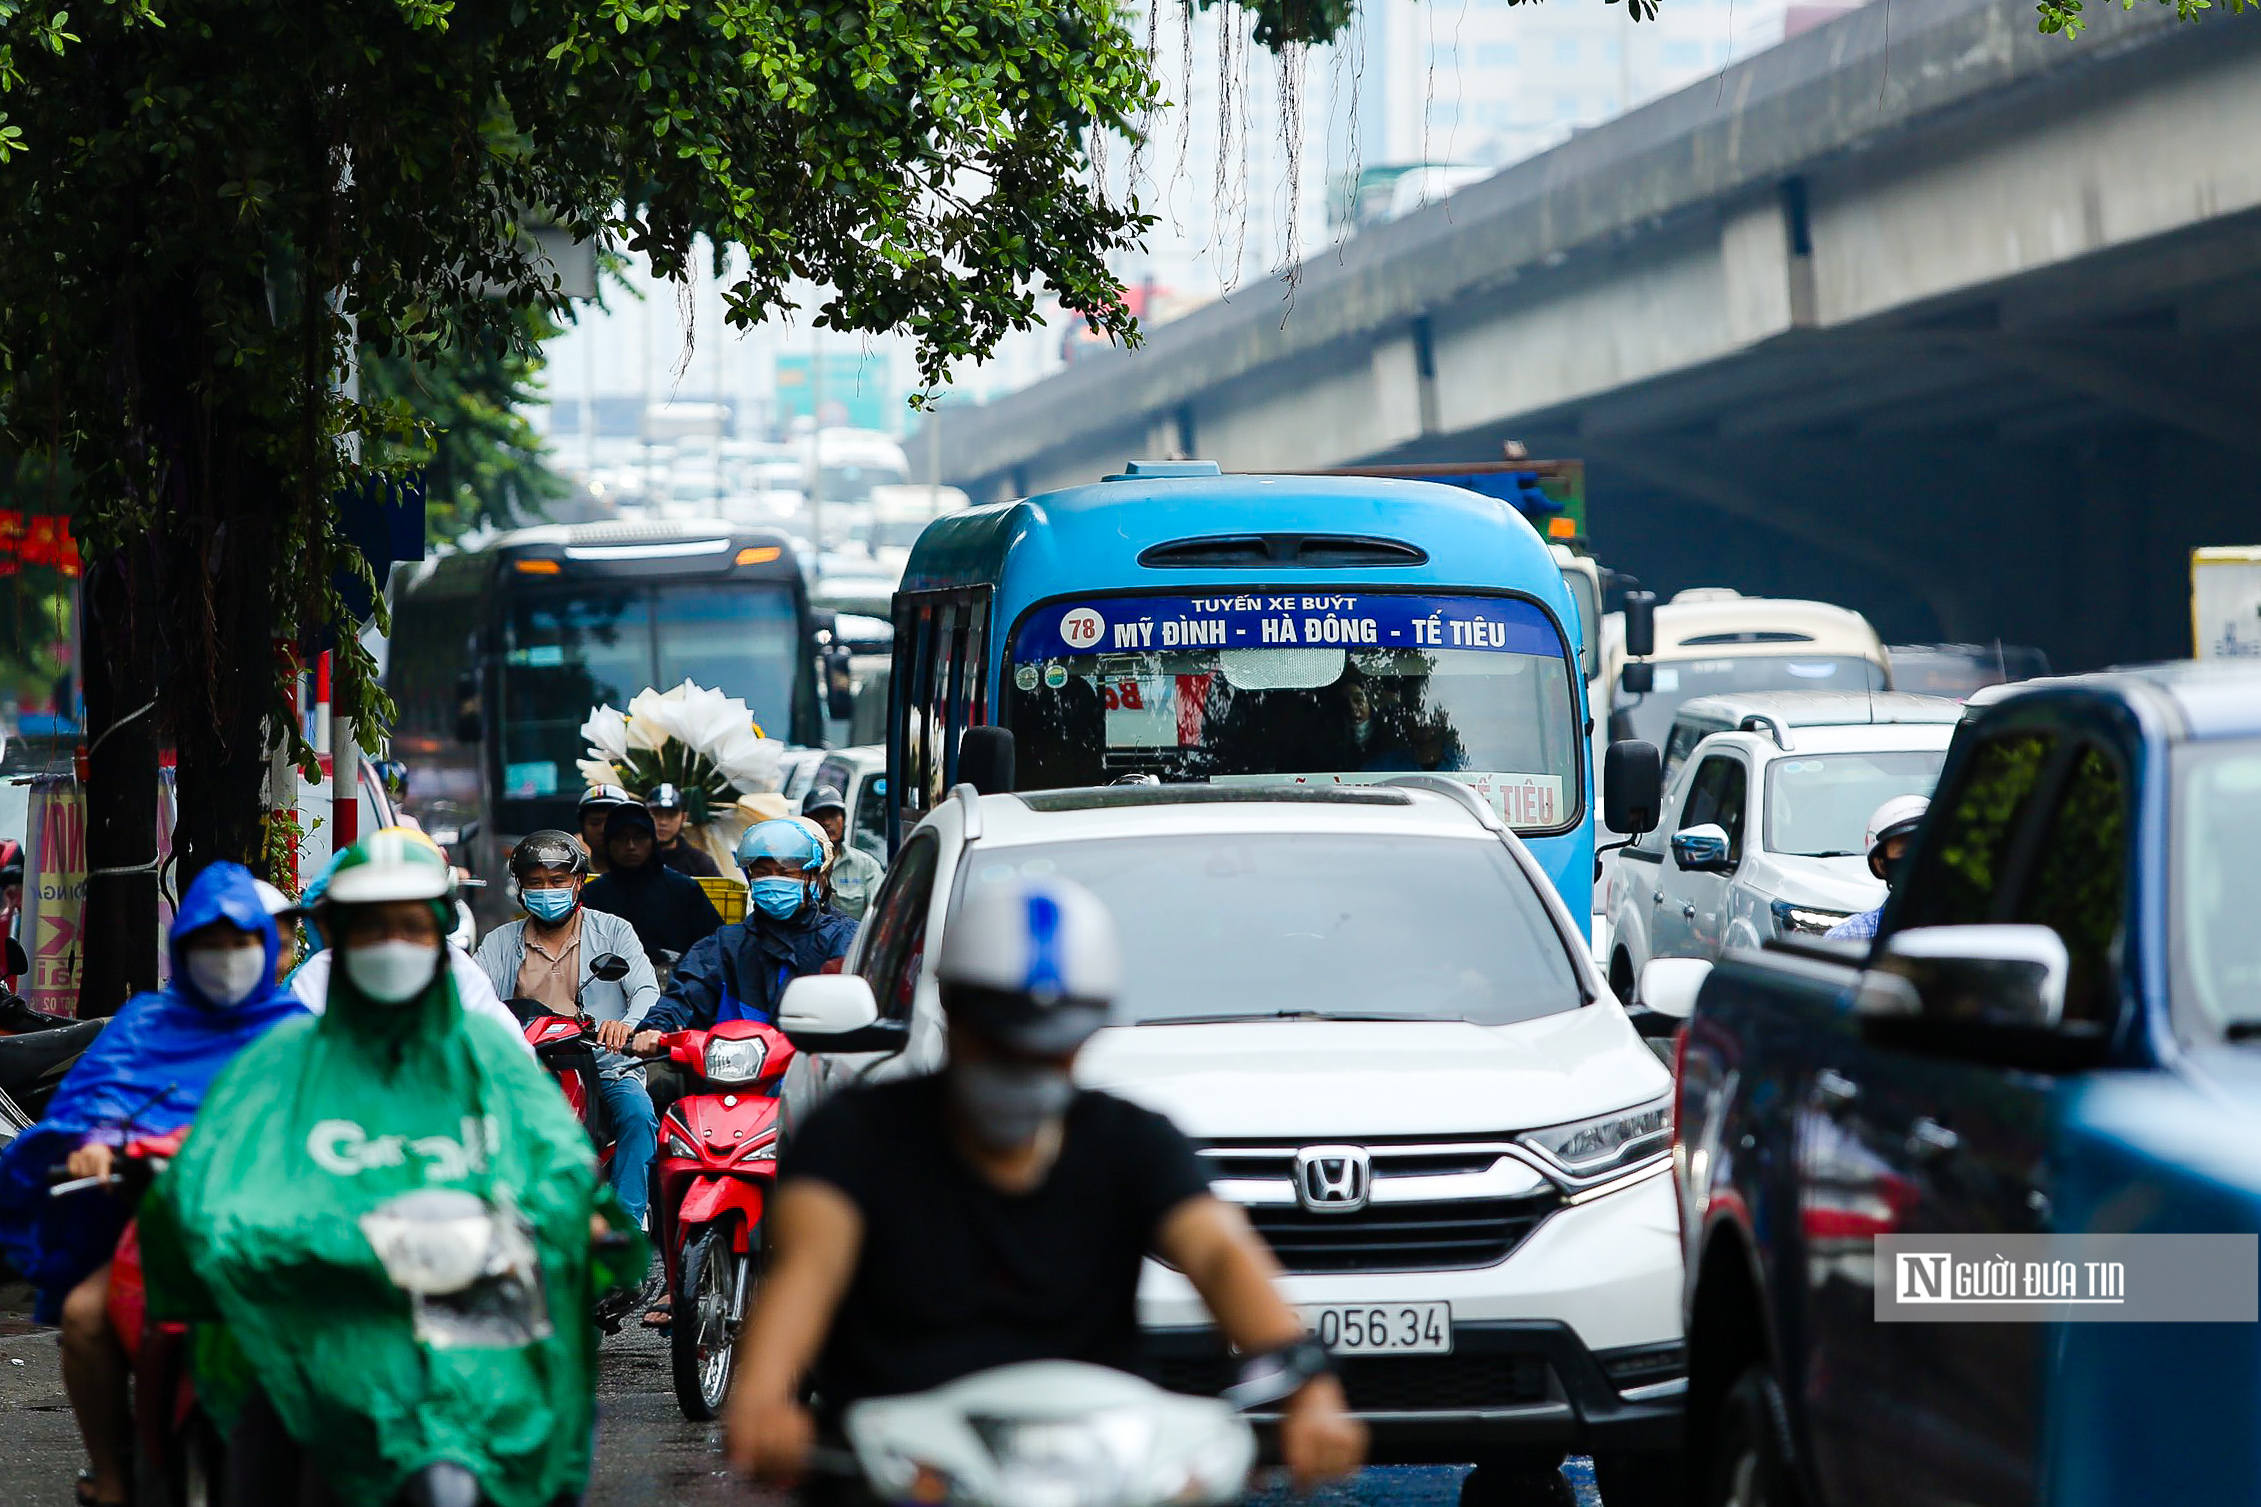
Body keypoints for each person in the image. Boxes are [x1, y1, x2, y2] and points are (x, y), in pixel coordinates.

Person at [722, 876, 1366, 1491]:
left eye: (1052, 1045)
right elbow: (807, 1270)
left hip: (1099, 1465)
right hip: (899, 1474)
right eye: (1001, 1039)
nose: (1026, 1066)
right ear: (952, 1009)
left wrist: (1308, 1388)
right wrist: (763, 1397)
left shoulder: (1134, 1141)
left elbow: (1220, 1254)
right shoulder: (853, 1136)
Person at [136, 831, 641, 1507]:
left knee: (535, 1430)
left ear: (438, 933)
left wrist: (576, 1218)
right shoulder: (279, 1057)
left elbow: (555, 1161)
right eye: (372, 926)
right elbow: (212, 1177)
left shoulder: (488, 1052)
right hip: (322, 1310)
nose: (392, 943)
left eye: (409, 924)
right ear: (337, 932)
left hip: (469, 1307)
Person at [0, 863, 305, 1507]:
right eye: (209, 944)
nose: (226, 958)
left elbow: (332, 1117)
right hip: (156, 1230)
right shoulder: (144, 1025)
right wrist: (94, 1146)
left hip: (274, 1235)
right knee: (86, 1317)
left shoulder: (299, 1032)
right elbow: (96, 1104)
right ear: (183, 949)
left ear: (268, 947)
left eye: (240, 942)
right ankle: (112, 1475)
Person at [473, 831, 662, 1226]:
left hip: (606, 1063)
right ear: (521, 887)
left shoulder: (615, 931)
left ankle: (627, 1228)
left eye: (558, 881)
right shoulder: (499, 942)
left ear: (578, 882)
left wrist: (624, 1028)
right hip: (527, 1066)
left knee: (638, 1116)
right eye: (536, 882)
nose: (547, 890)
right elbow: (472, 996)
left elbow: (646, 990)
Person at [618, 819, 855, 1051]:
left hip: (816, 1071)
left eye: (786, 873)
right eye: (763, 873)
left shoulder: (843, 937)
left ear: (812, 877)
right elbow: (686, 994)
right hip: (732, 1070)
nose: (774, 880)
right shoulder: (726, 943)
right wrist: (656, 1028)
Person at [289, 835, 532, 1053]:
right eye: (372, 926)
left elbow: (521, 1083)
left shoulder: (464, 979)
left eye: (413, 927)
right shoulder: (316, 981)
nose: (394, 945)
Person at [581, 803, 724, 969]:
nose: (631, 846)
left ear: (652, 841)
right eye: (621, 838)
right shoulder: (593, 894)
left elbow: (712, 947)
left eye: (639, 837)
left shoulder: (683, 889)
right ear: (608, 843)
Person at [1826, 794, 1931, 941]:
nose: (1920, 858)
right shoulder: (1850, 937)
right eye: (1905, 850)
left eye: (1929, 846)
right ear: (1880, 864)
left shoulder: (1967, 932)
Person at [801, 786, 885, 921]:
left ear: (844, 820)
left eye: (833, 816)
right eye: (819, 817)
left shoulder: (866, 866)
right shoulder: (793, 865)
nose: (827, 822)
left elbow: (879, 917)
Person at [645, 783, 723, 877]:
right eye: (656, 814)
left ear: (684, 817)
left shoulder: (699, 863)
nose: (663, 822)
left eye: (671, 815)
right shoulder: (631, 858)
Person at [578, 782, 634, 875]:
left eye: (611, 822)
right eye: (595, 823)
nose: (603, 830)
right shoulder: (569, 878)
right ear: (583, 829)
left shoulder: (652, 878)